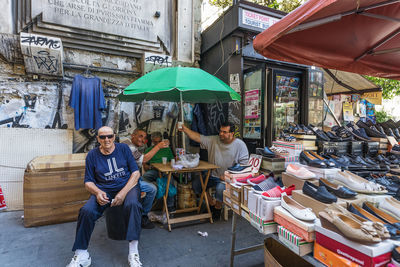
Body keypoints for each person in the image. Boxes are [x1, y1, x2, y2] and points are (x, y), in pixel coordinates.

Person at [67, 126, 142, 267]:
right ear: (98, 139)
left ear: (114, 136)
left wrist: (122, 193)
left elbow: (136, 173)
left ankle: (133, 253)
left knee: (133, 205)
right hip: (104, 190)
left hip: (127, 187)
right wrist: (97, 192)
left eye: (109, 136)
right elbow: (88, 182)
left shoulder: (124, 149)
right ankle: (81, 254)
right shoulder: (92, 155)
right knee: (86, 211)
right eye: (102, 137)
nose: (106, 139)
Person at [179, 121, 249, 220]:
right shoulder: (214, 140)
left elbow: (244, 167)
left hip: (230, 179)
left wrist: (229, 176)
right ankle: (211, 204)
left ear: (232, 133)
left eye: (224, 132)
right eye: (220, 131)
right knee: (196, 185)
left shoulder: (240, 145)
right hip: (213, 175)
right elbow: (197, 137)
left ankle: (217, 208)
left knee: (220, 189)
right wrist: (185, 129)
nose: (221, 134)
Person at [128, 128, 171, 228]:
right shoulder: (129, 146)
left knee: (166, 181)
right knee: (151, 187)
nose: (142, 140)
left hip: (161, 172)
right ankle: (143, 216)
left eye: (144, 137)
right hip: (129, 182)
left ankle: (169, 206)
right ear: (132, 136)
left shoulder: (133, 147)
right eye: (140, 136)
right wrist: (158, 146)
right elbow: (144, 160)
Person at [143, 131, 176, 212]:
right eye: (155, 142)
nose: (158, 144)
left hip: (165, 171)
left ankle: (170, 205)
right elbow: (145, 165)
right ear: (152, 141)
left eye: (159, 141)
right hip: (154, 171)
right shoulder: (149, 150)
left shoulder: (167, 149)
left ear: (162, 140)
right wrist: (149, 166)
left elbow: (172, 160)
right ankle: (146, 203)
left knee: (169, 179)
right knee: (143, 178)